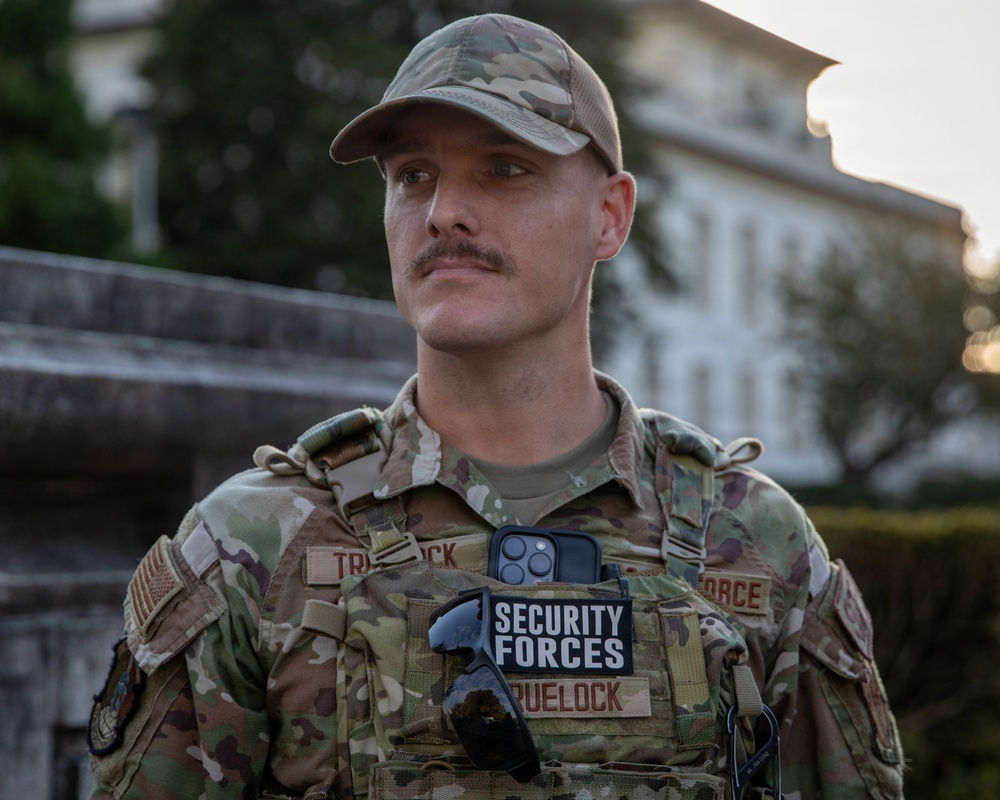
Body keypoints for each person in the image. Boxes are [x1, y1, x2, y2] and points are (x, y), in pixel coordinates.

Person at [88, 13, 904, 800]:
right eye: (412, 176)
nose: (442, 210)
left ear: (609, 216)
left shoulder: (757, 542)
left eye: (505, 169)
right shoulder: (251, 545)